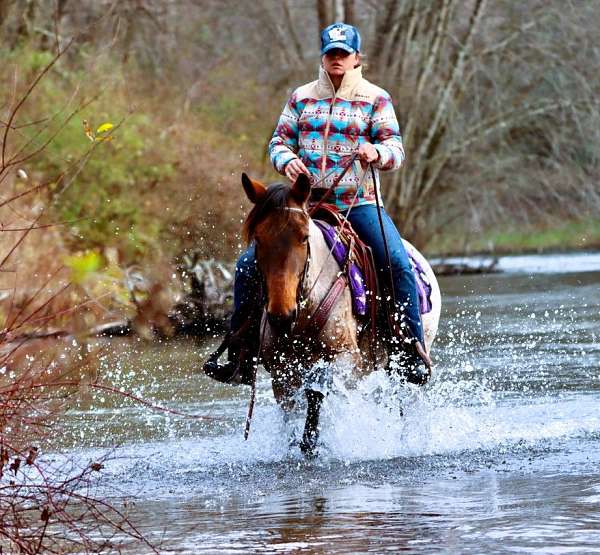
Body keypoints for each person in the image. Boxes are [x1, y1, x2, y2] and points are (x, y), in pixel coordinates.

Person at [204, 22, 430, 386]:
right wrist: (285, 160)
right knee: (248, 264)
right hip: (303, 205)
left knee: (396, 263)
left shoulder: (376, 98)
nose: (336, 59)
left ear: (356, 58)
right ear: (323, 57)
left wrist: (375, 151)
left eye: (343, 53)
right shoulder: (301, 97)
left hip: (359, 204)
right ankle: (240, 352)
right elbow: (278, 142)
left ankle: (408, 351)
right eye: (330, 53)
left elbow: (396, 151)